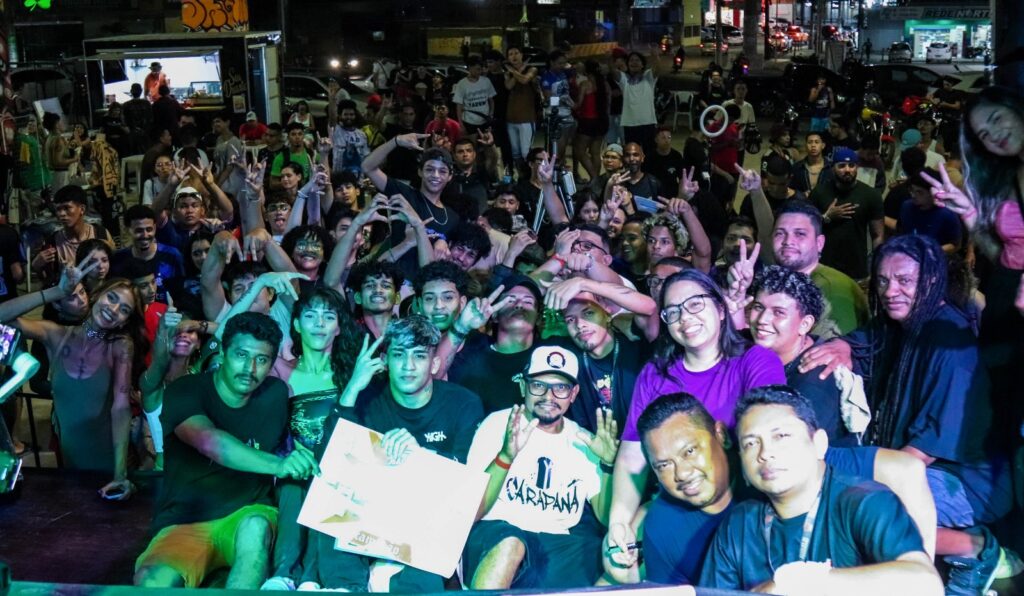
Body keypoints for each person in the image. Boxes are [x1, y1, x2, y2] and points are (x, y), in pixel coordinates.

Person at [807, 235, 1014, 594]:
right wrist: (843, 345)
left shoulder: (952, 345)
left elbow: (922, 453)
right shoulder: (898, 324)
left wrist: (862, 480)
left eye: (904, 280)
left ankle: (975, 548)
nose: (890, 291)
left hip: (967, 483)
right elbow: (868, 337)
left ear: (931, 280)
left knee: (857, 502)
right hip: (925, 466)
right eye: (883, 280)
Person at [624, 392, 937, 586]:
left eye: (781, 437)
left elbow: (924, 584)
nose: (766, 453)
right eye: (751, 444)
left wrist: (796, 585)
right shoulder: (739, 524)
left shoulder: (861, 500)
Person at [133, 312, 318, 589]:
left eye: (262, 360)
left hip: (249, 511)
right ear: (223, 352)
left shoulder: (276, 393)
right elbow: (209, 442)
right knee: (152, 582)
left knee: (256, 530)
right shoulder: (186, 390)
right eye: (241, 355)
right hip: (185, 519)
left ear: (271, 364)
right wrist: (279, 464)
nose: (250, 368)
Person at [608, 268, 786, 552]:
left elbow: (771, 434)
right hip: (678, 501)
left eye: (695, 304)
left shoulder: (756, 362)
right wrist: (619, 521)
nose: (685, 317)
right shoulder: (654, 374)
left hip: (745, 505)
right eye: (673, 312)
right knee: (618, 562)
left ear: (721, 309)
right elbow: (633, 455)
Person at [305, 315, 484, 591]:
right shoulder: (366, 399)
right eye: (399, 355)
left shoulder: (463, 403)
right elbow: (326, 462)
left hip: (427, 512)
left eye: (419, 356)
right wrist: (351, 388)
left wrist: (421, 457)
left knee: (439, 527)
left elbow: (467, 481)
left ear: (435, 363)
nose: (408, 366)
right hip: (373, 510)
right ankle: (344, 587)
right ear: (385, 361)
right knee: (331, 492)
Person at [463, 346, 618, 589]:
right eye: (538, 385)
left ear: (573, 393)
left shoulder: (585, 440)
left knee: (606, 556)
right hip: (498, 532)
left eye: (560, 388)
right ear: (523, 386)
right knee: (511, 544)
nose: (548, 396)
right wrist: (505, 456)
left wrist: (608, 465)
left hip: (555, 544)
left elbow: (608, 517)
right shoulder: (498, 424)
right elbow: (470, 510)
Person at [0, 262, 145, 498]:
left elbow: (120, 408)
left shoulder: (120, 346)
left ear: (124, 322)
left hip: (110, 466)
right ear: (97, 296)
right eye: (111, 298)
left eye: (124, 309)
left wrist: (120, 474)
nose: (113, 309)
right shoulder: (56, 336)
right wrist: (57, 292)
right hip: (71, 467)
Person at [748, 265, 856, 445]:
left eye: (778, 312)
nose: (762, 320)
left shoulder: (814, 381)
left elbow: (790, 451)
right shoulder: (758, 351)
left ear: (805, 324)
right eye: (758, 307)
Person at [769, 199, 869, 335]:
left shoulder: (832, 291)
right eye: (780, 233)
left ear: (819, 243)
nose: (788, 241)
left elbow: (826, 348)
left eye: (800, 234)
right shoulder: (787, 280)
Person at [810, 148, 884, 281]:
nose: (847, 170)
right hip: (825, 266)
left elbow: (878, 235)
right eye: (842, 166)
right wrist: (827, 217)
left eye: (851, 165)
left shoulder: (871, 195)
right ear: (833, 168)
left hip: (857, 269)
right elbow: (807, 228)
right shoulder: (819, 193)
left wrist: (876, 267)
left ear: (857, 167)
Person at [31, 185, 114, 288]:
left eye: (67, 208)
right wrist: (37, 266)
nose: (62, 214)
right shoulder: (53, 243)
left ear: (82, 209)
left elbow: (113, 266)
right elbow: (48, 281)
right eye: (58, 209)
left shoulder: (101, 234)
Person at [110, 205, 185, 303]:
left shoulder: (172, 255)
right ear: (127, 230)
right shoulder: (119, 259)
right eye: (139, 231)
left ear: (155, 227)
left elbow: (181, 294)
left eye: (149, 229)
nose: (145, 235)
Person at [896, 167, 963, 253]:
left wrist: (931, 252)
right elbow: (901, 231)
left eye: (920, 192)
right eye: (912, 190)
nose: (913, 195)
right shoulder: (906, 206)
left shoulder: (947, 214)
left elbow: (955, 245)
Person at [504, 45, 539, 173]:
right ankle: (521, 177)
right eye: (510, 54)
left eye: (516, 53)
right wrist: (517, 70)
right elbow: (509, 86)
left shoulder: (532, 69)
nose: (514, 56)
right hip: (511, 119)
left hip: (526, 119)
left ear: (522, 55)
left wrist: (516, 70)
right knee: (516, 153)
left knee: (526, 153)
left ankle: (531, 177)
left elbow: (524, 80)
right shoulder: (508, 73)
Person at [453, 56, 497, 139]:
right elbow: (459, 106)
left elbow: (491, 100)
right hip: (469, 122)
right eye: (477, 69)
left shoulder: (486, 81)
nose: (479, 72)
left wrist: (491, 115)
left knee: (486, 143)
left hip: (484, 121)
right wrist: (461, 125)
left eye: (480, 69)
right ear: (470, 68)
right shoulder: (462, 84)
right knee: (472, 143)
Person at [327, 98, 369, 176]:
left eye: (351, 114)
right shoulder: (336, 131)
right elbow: (332, 118)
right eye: (345, 114)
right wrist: (332, 99)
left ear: (355, 116)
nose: (349, 117)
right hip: (339, 178)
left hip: (359, 178)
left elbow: (366, 157)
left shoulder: (362, 135)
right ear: (340, 116)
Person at [43, 112, 79, 192]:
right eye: (61, 122)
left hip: (54, 174)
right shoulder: (58, 140)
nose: (63, 124)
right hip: (61, 175)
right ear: (56, 125)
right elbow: (58, 161)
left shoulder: (49, 138)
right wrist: (75, 159)